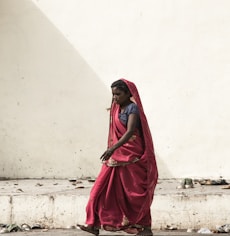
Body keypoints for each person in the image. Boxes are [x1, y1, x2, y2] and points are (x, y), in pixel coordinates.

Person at [77, 79, 158, 236]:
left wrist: (112, 148)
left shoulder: (132, 109)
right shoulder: (115, 108)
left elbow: (129, 132)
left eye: (118, 94)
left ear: (128, 94)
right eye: (113, 94)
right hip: (115, 157)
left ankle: (144, 228)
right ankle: (93, 224)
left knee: (133, 195)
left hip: (131, 156)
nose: (115, 97)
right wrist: (113, 150)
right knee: (98, 191)